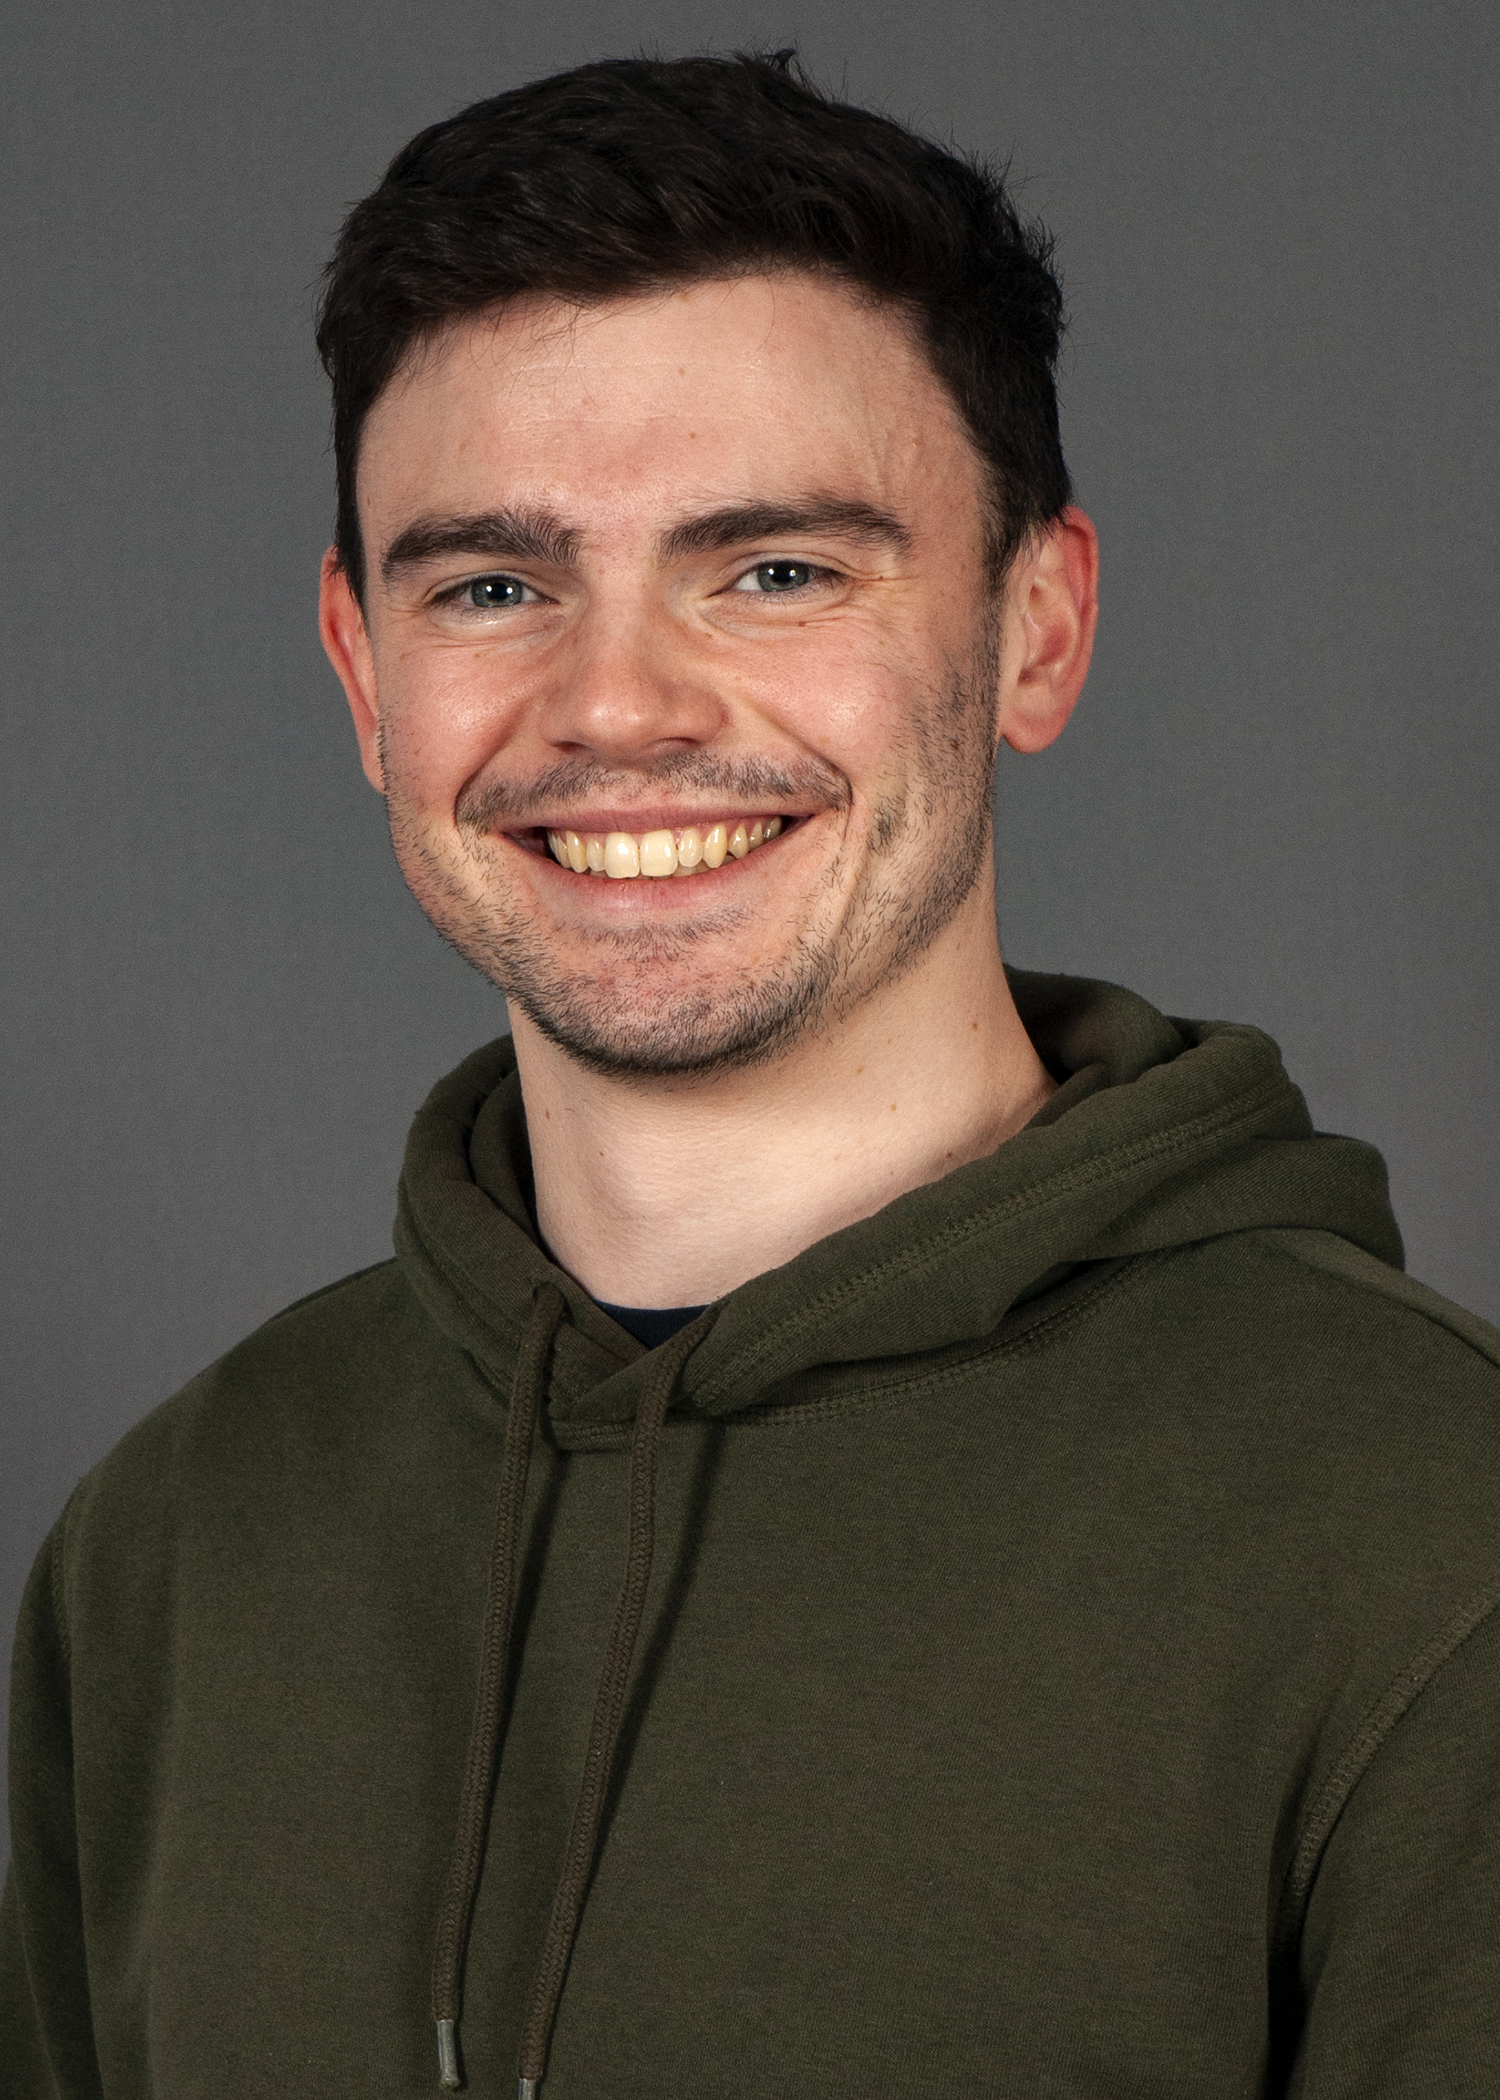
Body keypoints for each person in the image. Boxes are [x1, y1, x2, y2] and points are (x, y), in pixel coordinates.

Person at [5, 48, 1500, 2100]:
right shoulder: (177, 1539)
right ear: (363, 674)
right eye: (496, 586)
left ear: (1036, 628)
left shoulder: (1427, 1533)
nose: (616, 706)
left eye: (776, 570)